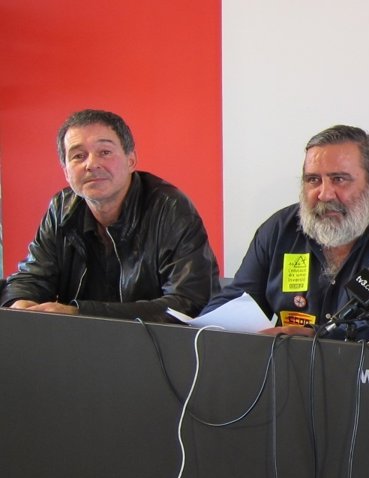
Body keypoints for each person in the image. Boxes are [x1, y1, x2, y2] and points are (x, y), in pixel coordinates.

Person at [204, 125, 369, 336]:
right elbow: (238, 300)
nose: (325, 194)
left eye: (339, 179)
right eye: (313, 180)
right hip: (286, 366)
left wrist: (320, 336)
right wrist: (203, 327)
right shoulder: (279, 230)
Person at [1, 109, 219, 321]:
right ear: (66, 172)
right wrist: (20, 302)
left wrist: (80, 314)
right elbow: (32, 277)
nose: (91, 164)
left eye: (105, 152)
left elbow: (188, 303)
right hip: (75, 341)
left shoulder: (169, 208)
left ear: (131, 160)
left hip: (154, 342)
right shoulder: (62, 209)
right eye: (78, 156)